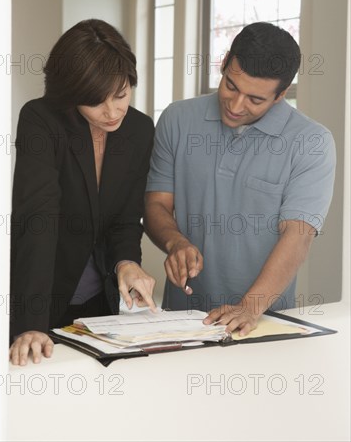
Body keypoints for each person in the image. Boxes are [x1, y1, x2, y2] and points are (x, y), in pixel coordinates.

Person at [144, 22, 336, 337]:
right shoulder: (177, 119)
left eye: (254, 100)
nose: (235, 106)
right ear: (224, 64)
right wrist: (174, 241)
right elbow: (156, 204)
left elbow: (298, 236)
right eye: (231, 86)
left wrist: (249, 307)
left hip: (264, 323)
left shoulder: (312, 142)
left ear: (281, 94)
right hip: (182, 321)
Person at [10, 19, 156, 365]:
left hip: (100, 300)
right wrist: (30, 323)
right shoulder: (40, 119)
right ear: (71, 95)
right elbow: (38, 219)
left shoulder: (139, 129)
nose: (112, 111)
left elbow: (125, 218)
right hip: (42, 291)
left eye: (121, 95)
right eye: (95, 101)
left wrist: (127, 262)